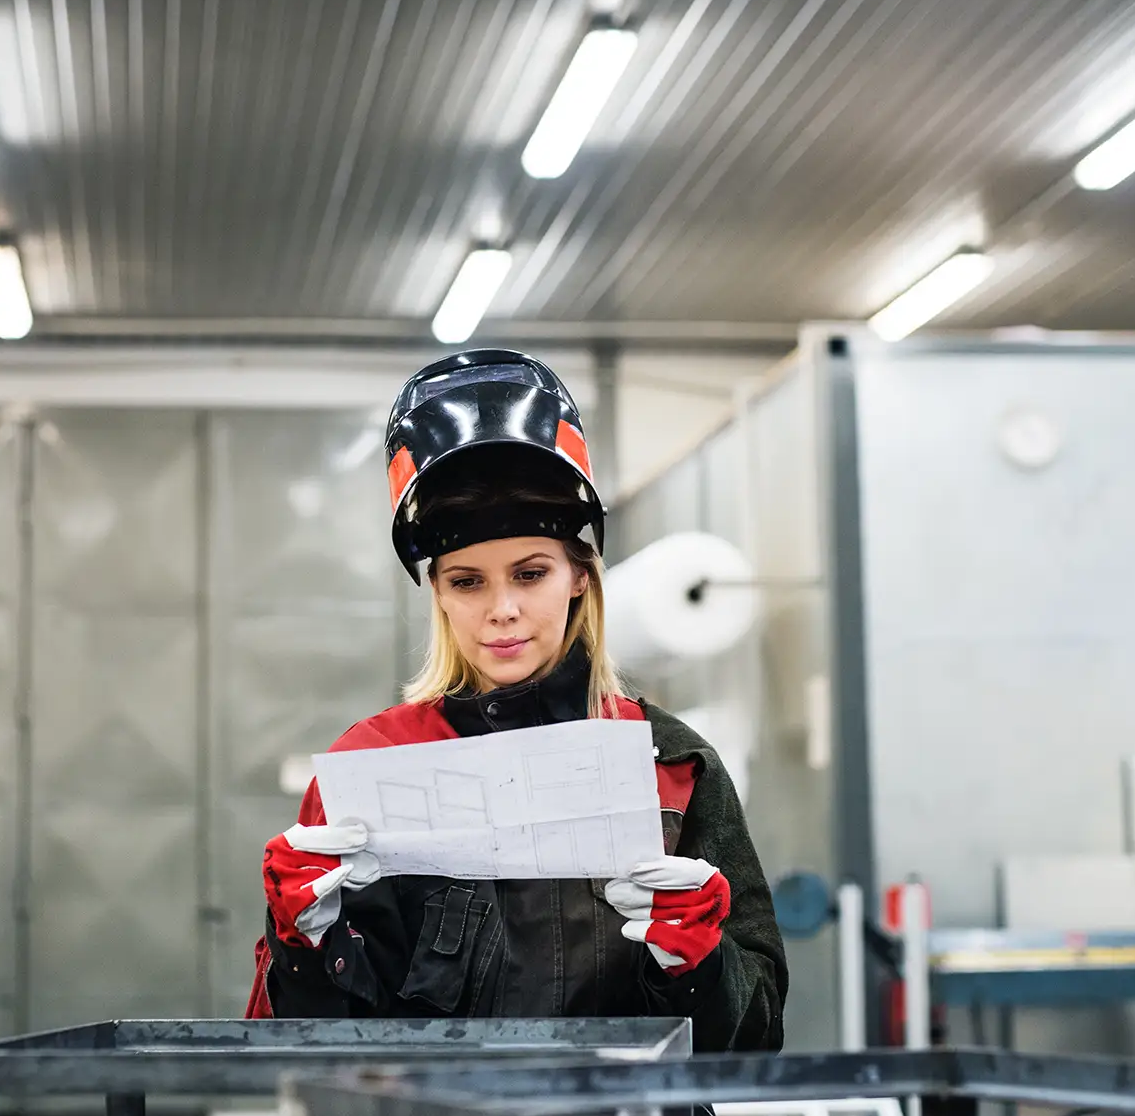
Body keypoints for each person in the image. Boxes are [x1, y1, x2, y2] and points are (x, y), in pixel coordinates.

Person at [247, 348, 786, 1054]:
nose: (501, 610)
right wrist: (306, 942)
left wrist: (697, 963)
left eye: (530, 573)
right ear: (436, 594)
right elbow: (303, 1048)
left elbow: (756, 1037)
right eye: (467, 581)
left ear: (579, 578)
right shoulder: (373, 768)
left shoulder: (672, 767)